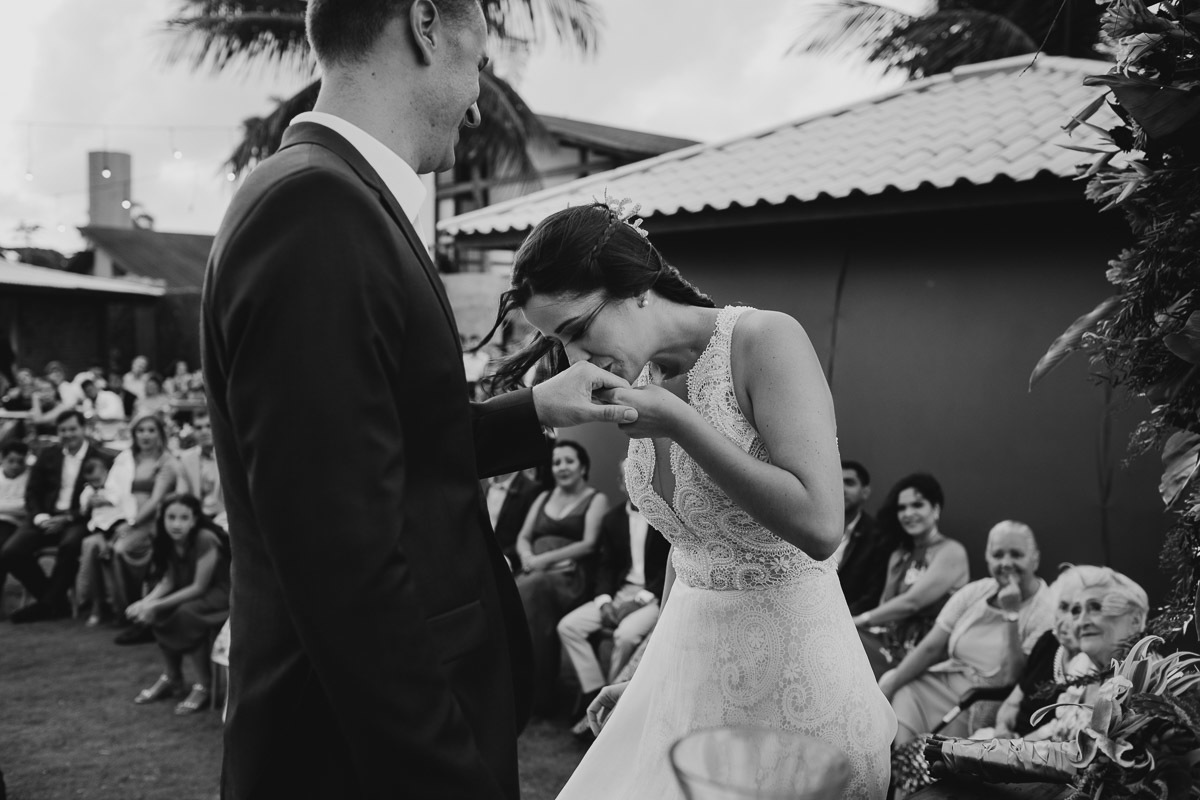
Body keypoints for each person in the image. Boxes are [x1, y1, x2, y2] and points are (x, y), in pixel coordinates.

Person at [200, 2, 637, 797]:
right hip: (361, 753)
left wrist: (536, 408)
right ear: (425, 23)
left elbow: (379, 449)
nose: (478, 105)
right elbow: (342, 560)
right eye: (480, 63)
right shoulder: (315, 210)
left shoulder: (335, 196)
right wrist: (445, 772)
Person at [486, 200, 895, 799]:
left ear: (635, 288)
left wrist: (682, 424)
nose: (575, 358)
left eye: (577, 330)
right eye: (558, 341)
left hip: (796, 680)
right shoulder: (643, 380)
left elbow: (820, 524)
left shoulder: (764, 339)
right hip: (692, 679)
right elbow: (690, 546)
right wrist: (651, 673)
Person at [879, 521, 1055, 746]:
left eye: (1016, 555)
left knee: (902, 693)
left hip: (977, 701)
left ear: (1035, 559)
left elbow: (1013, 679)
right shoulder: (975, 592)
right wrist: (888, 686)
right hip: (943, 681)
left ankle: (914, 761)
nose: (1006, 563)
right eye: (997, 555)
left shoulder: (1046, 612)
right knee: (898, 685)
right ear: (987, 558)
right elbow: (931, 647)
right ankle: (903, 762)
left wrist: (1011, 614)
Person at [557, 458, 669, 735]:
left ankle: (614, 710)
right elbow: (606, 566)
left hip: (653, 595)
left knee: (625, 635)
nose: (634, 481)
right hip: (620, 593)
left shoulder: (664, 516)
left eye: (639, 474)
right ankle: (594, 691)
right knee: (569, 626)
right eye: (627, 477)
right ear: (621, 483)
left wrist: (640, 600)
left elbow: (669, 568)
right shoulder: (612, 519)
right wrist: (605, 600)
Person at [513, 440, 608, 715]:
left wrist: (543, 561)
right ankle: (518, 686)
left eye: (568, 461)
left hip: (570, 577)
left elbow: (589, 544)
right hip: (535, 573)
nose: (562, 467)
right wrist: (527, 556)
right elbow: (523, 536)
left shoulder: (596, 499)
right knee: (525, 591)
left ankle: (539, 694)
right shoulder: (543, 497)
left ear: (583, 467)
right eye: (556, 462)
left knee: (529, 589)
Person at [854, 473, 970, 677]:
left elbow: (912, 603)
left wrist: (858, 620)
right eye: (902, 508)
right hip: (889, 643)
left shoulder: (951, 551)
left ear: (935, 509)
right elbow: (886, 606)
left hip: (925, 652)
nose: (908, 513)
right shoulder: (899, 555)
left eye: (917, 505)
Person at [4, 410, 115, 623]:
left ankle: (46, 606)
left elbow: (101, 497)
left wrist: (69, 518)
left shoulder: (99, 458)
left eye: (72, 429)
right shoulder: (48, 454)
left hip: (78, 518)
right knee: (11, 552)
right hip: (45, 517)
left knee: (71, 545)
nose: (67, 434)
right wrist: (40, 516)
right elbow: (32, 492)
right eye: (62, 430)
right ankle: (55, 602)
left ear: (84, 429)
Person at [129, 493, 231, 716]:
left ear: (195, 520)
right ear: (162, 518)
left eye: (184, 518)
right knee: (160, 613)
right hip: (192, 591)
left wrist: (155, 605)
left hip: (221, 594)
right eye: (171, 517)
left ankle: (203, 685)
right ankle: (171, 676)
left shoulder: (205, 538)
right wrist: (145, 603)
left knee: (185, 614)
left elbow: (199, 587)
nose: (176, 524)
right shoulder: (166, 539)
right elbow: (168, 581)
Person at [106, 414, 181, 644]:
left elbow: (156, 500)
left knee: (122, 549)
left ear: (160, 434)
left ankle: (138, 609)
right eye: (141, 430)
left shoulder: (167, 462)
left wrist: (132, 524)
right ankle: (125, 609)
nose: (145, 435)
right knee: (108, 549)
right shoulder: (127, 459)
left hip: (152, 524)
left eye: (151, 430)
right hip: (125, 518)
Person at [75, 455, 137, 626]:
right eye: (91, 481)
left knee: (108, 555)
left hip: (118, 525)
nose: (96, 484)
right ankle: (91, 601)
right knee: (92, 549)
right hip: (99, 528)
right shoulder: (88, 491)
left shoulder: (114, 485)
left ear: (106, 472)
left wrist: (102, 499)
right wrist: (89, 501)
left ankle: (117, 607)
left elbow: (117, 501)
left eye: (98, 479)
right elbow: (83, 509)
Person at [836, 459, 901, 615]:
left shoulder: (879, 536)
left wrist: (841, 618)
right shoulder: (812, 528)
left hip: (851, 620)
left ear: (865, 492)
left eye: (849, 483)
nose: (840, 488)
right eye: (836, 482)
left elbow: (873, 596)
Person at [174, 410, 225, 531]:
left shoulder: (229, 456)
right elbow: (182, 496)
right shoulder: (186, 459)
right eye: (199, 428)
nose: (204, 431)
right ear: (193, 431)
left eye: (209, 426)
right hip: (198, 519)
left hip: (226, 518)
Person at [485, 467, 543, 572]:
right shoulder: (482, 484)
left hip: (508, 563)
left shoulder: (531, 489)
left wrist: (504, 558)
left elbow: (530, 536)